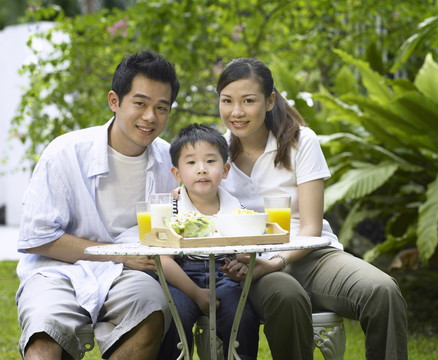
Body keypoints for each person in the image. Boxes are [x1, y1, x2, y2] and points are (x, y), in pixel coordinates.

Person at [216, 58, 408, 360]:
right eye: (227, 101)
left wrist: (277, 260)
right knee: (287, 296)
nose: (236, 112)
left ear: (269, 101)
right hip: (252, 264)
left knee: (382, 291)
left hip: (312, 255)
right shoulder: (215, 150)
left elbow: (310, 228)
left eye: (248, 101)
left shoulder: (300, 141)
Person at [16, 50, 180, 360]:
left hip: (126, 276)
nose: (150, 117)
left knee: (152, 309)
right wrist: (120, 255)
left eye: (162, 108)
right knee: (44, 332)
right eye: (140, 104)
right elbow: (38, 237)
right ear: (115, 101)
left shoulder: (169, 161)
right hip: (57, 271)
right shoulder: (65, 152)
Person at [159, 123, 259, 359]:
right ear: (177, 173)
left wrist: (243, 262)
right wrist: (195, 293)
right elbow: (163, 260)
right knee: (174, 316)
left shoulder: (237, 209)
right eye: (191, 162)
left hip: (226, 276)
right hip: (182, 278)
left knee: (242, 316)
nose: (201, 169)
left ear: (225, 170)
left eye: (210, 162)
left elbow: (250, 249)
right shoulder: (169, 209)